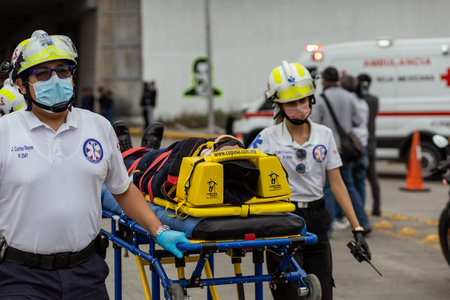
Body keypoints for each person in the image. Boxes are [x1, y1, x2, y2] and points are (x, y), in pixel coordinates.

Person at [0, 30, 189, 299]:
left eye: (63, 72)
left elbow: (122, 190)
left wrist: (159, 231)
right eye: (42, 74)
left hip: (86, 274)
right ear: (21, 85)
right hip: (22, 277)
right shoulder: (5, 131)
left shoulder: (98, 126)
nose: (55, 80)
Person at [249, 61, 371, 300]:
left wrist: (358, 229)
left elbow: (336, 184)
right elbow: (246, 177)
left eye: (303, 100)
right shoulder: (267, 138)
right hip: (282, 221)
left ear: (311, 99)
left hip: (317, 220)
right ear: (278, 105)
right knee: (289, 295)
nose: (298, 107)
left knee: (323, 293)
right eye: (291, 103)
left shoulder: (324, 135)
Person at [310, 67, 371, 235]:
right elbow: (358, 121)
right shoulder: (349, 97)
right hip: (347, 149)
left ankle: (327, 229)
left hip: (329, 148)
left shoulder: (321, 99)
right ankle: (363, 222)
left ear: (324, 80)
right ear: (338, 79)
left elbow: (314, 123)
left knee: (329, 188)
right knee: (349, 186)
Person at [357, 73, 381, 216]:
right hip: (372, 142)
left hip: (360, 144)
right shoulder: (375, 100)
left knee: (358, 180)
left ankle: (359, 211)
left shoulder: (358, 101)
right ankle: (377, 207)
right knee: (373, 178)